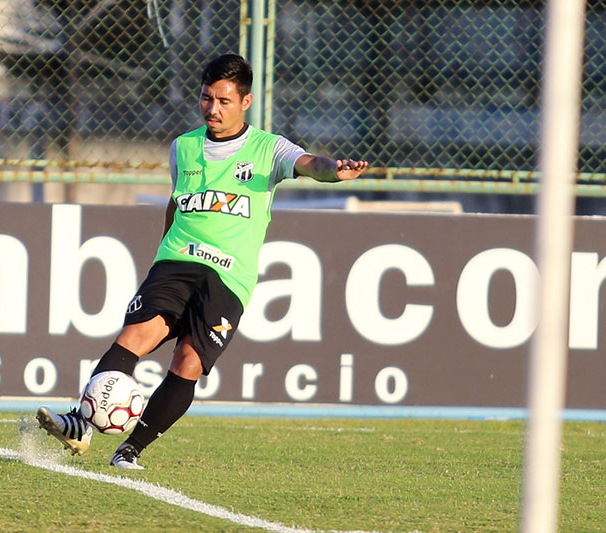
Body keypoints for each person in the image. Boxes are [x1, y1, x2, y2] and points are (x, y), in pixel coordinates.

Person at [37, 54, 368, 469]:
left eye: (224, 101)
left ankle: (130, 449)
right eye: (206, 98)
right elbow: (176, 203)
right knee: (134, 336)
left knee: (189, 361)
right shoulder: (184, 147)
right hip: (176, 261)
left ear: (245, 102)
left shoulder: (269, 149)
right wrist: (161, 255)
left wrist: (335, 170)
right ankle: (81, 424)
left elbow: (311, 164)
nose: (213, 109)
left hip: (228, 278)